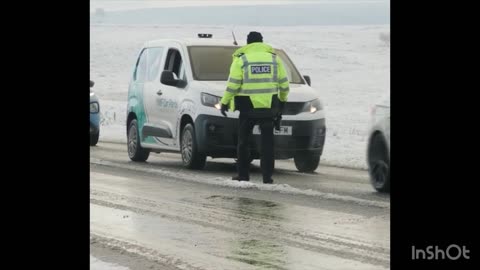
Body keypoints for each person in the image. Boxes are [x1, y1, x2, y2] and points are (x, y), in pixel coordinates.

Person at [219, 31, 290, 184]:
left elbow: (233, 84)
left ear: (248, 43)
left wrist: (225, 102)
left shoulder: (242, 59)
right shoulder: (274, 59)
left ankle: (243, 175)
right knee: (267, 144)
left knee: (243, 142)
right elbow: (284, 84)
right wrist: (281, 102)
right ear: (262, 42)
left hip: (247, 108)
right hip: (268, 107)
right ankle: (267, 177)